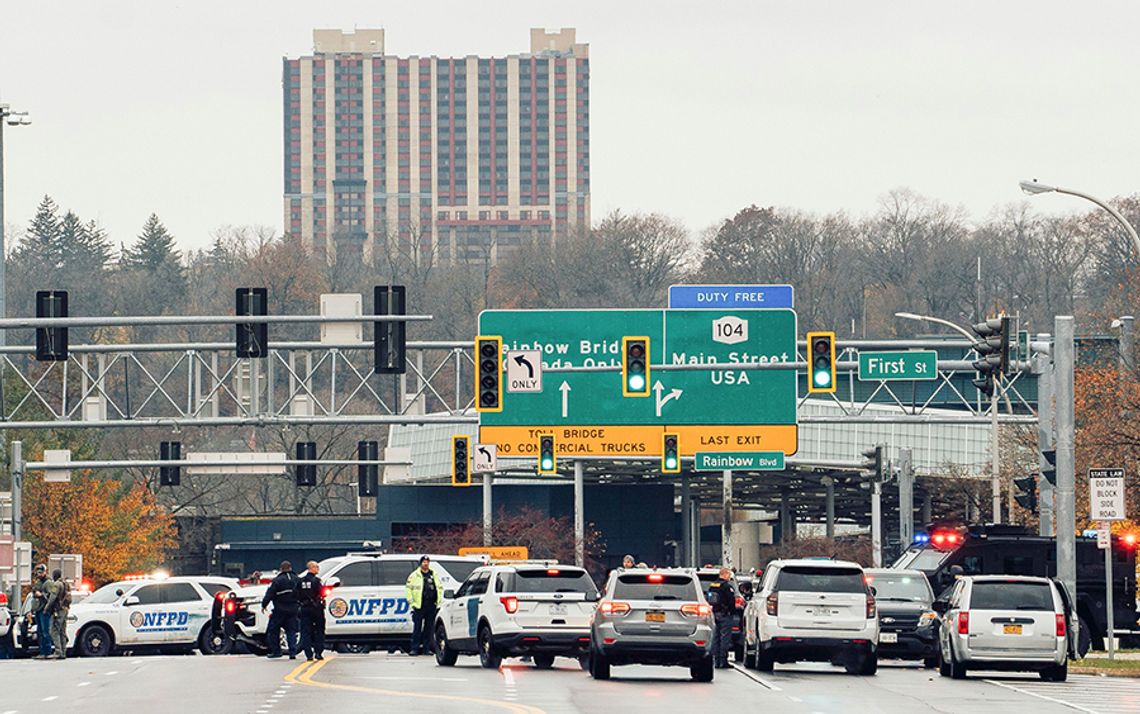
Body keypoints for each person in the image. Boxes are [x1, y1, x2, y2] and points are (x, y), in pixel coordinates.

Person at [261, 560, 301, 660]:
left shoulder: (277, 580)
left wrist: (264, 605)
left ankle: (276, 651)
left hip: (280, 610)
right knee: (291, 631)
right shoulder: (297, 579)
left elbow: (270, 594)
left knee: (273, 630)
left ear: (281, 569)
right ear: (290, 568)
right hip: (293, 610)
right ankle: (292, 652)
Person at [404, 556, 442, 656]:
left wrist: (438, 601)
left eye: (427, 562)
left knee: (428, 629)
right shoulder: (414, 576)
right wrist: (412, 603)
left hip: (431, 605)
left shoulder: (434, 574)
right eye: (424, 562)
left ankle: (426, 649)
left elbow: (439, 588)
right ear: (421, 563)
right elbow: (408, 590)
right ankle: (414, 649)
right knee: (417, 628)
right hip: (419, 605)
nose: (425, 564)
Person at [707, 567, 737, 669]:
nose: (729, 577)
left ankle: (716, 660)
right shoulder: (726, 586)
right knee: (725, 638)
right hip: (725, 615)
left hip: (715, 613)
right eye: (729, 575)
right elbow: (731, 601)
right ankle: (723, 661)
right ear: (725, 574)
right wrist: (732, 612)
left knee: (716, 638)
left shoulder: (713, 585)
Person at [296, 561, 325, 661]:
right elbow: (322, 593)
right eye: (316, 567)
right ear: (311, 568)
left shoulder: (300, 581)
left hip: (304, 608)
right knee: (319, 631)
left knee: (305, 631)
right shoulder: (317, 581)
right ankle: (318, 652)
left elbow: (295, 594)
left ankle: (308, 654)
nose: (318, 569)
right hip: (316, 608)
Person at [31, 565, 58, 660]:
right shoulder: (38, 582)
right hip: (38, 609)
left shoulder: (48, 583)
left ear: (45, 572)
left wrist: (41, 595)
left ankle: (47, 651)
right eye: (38, 572)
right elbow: (34, 592)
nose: (39, 574)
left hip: (45, 610)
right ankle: (42, 652)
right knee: (40, 632)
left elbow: (51, 597)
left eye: (41, 572)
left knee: (45, 631)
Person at [49, 571, 71, 659]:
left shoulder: (57, 584)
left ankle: (58, 651)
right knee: (62, 630)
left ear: (54, 576)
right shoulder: (65, 584)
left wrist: (47, 607)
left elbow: (52, 597)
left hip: (58, 610)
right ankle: (63, 651)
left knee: (55, 630)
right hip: (65, 609)